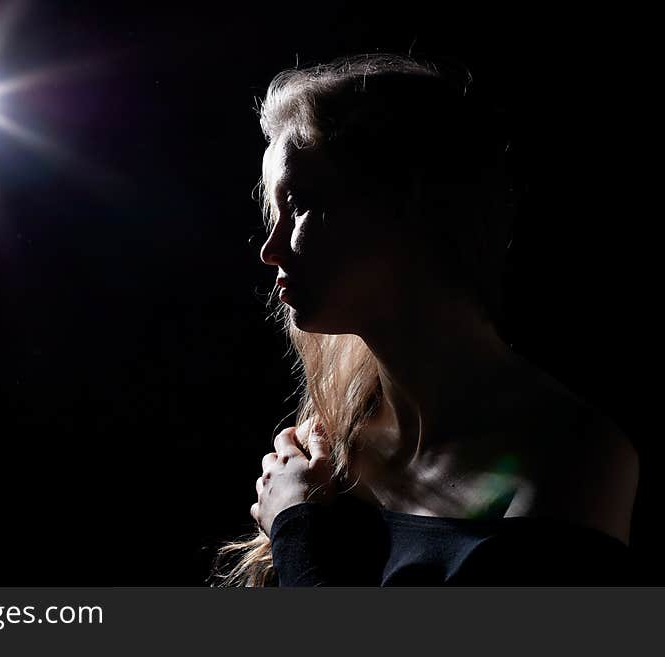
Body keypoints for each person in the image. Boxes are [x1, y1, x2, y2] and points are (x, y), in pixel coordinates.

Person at [209, 52, 639, 586]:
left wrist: (297, 531)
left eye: (297, 205)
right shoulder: (326, 447)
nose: (269, 251)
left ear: (403, 205)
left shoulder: (576, 458)